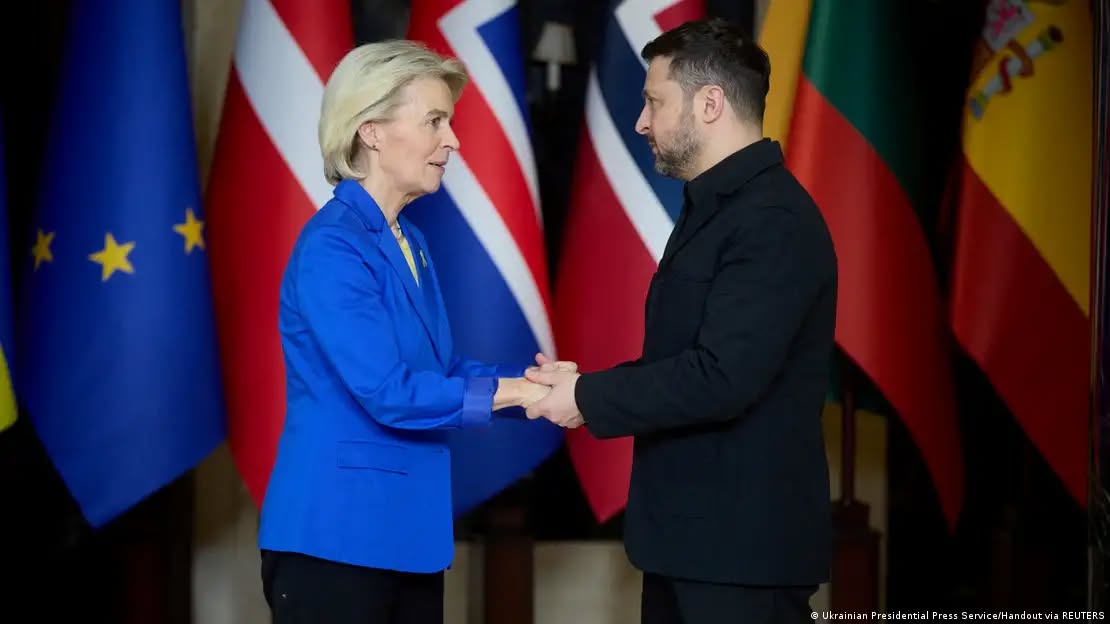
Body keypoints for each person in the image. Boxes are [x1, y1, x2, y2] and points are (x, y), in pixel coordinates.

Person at [525, 18, 838, 624]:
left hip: (740, 558)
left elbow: (722, 377)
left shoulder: (771, 218)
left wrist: (587, 396)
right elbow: (685, 359)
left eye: (654, 101)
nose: (641, 122)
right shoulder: (717, 207)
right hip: (692, 546)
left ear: (710, 103)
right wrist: (584, 387)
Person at [256, 40, 561, 623]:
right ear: (371, 131)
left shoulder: (409, 239)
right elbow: (389, 391)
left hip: (405, 537)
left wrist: (534, 386)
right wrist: (517, 394)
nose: (454, 140)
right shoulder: (333, 246)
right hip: (337, 538)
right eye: (434, 121)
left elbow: (440, 372)